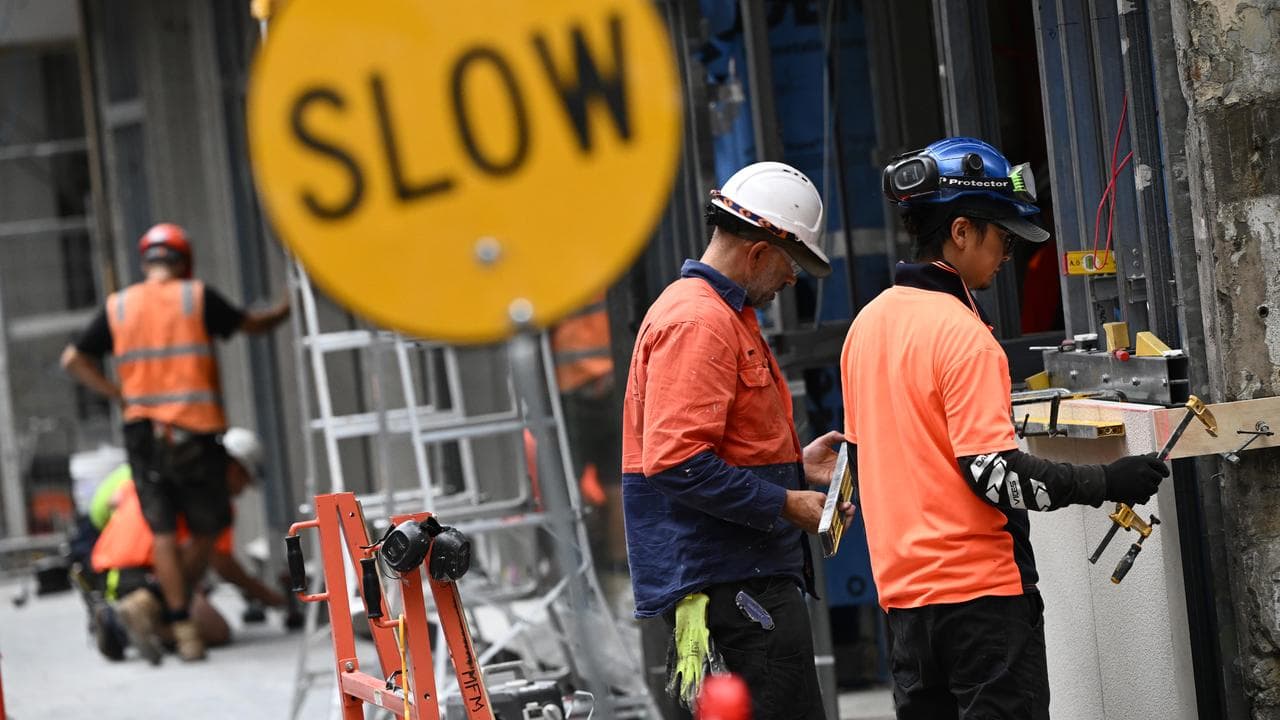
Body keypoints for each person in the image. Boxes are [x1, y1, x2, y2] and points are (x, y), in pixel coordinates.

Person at [840, 137, 1170, 719]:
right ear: (962, 231)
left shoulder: (865, 327)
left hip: (904, 608)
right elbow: (995, 476)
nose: (1007, 253)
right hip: (981, 605)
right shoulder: (964, 335)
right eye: (1003, 236)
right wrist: (1109, 480)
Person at [622, 161, 853, 719]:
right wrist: (785, 502)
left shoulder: (715, 315)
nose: (792, 278)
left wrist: (796, 467)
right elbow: (677, 461)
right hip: (733, 590)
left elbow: (709, 451)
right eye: (790, 262)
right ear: (757, 253)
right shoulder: (699, 323)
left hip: (734, 584)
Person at [60, 222, 290, 661]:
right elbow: (252, 324)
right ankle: (163, 608)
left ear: (146, 261)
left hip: (142, 433)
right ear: (185, 260)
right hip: (193, 431)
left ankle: (182, 629)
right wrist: (285, 307)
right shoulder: (195, 297)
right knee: (208, 525)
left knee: (163, 529)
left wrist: (118, 394)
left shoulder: (119, 306)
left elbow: (74, 359)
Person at [86, 427, 288, 664]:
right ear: (234, 468)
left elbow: (102, 511)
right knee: (216, 631)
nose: (243, 490)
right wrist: (270, 598)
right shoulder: (211, 500)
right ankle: (122, 623)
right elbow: (222, 563)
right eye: (245, 480)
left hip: (106, 574)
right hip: (145, 575)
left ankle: (129, 621)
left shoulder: (153, 476)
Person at [550, 294, 628, 584]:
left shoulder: (560, 279)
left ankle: (571, 572)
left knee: (565, 486)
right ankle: (618, 567)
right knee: (618, 482)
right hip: (611, 381)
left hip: (573, 388)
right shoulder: (603, 268)